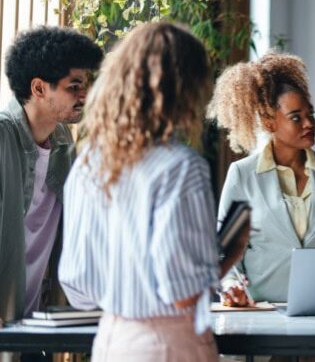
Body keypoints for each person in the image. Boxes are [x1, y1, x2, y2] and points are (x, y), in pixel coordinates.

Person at [58, 23, 247, 361]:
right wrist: (229, 253)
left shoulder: (89, 161)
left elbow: (78, 287)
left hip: (110, 341)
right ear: (187, 91)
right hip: (169, 345)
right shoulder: (181, 167)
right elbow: (183, 293)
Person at [208, 51, 315, 304]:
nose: (309, 123)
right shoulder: (243, 175)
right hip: (262, 313)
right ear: (269, 123)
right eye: (296, 117)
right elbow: (225, 253)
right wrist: (232, 286)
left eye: (310, 114)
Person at [0, 26, 102, 325]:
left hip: (34, 323)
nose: (85, 95)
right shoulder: (3, 136)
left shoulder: (63, 143)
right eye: (74, 87)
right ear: (39, 88)